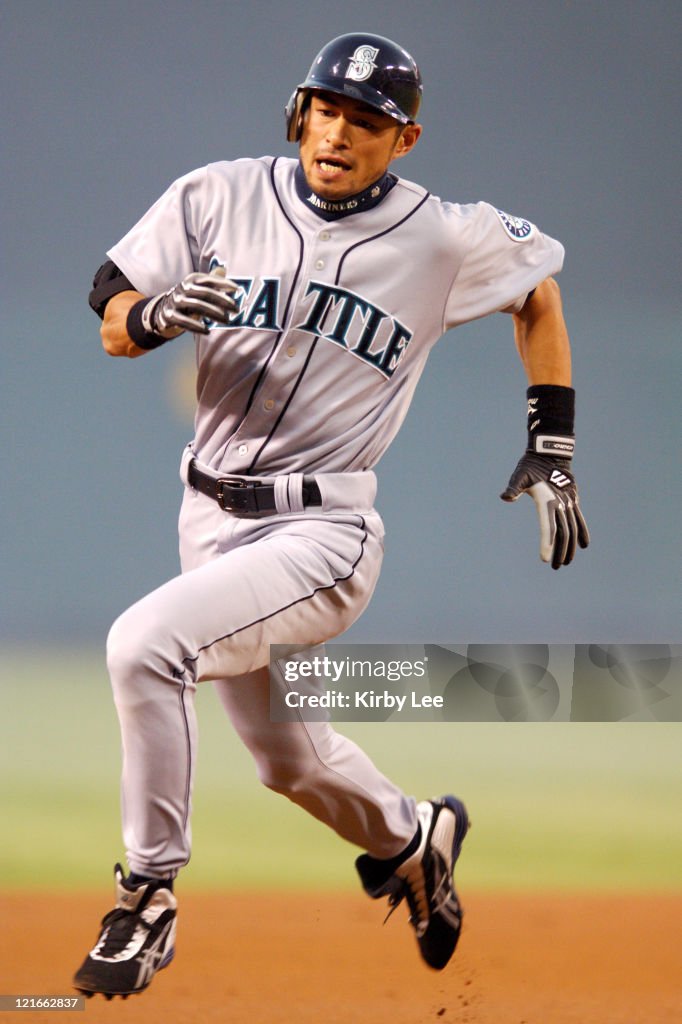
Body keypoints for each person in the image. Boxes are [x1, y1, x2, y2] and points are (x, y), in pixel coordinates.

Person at [73, 32, 589, 1000]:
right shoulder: (218, 193)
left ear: (405, 140)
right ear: (297, 114)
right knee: (289, 759)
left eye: (368, 121)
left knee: (145, 645)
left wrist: (552, 439)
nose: (340, 132)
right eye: (327, 110)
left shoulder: (442, 234)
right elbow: (111, 315)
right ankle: (415, 837)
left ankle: (146, 896)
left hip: (324, 532)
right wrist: (153, 315)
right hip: (211, 520)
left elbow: (539, 292)